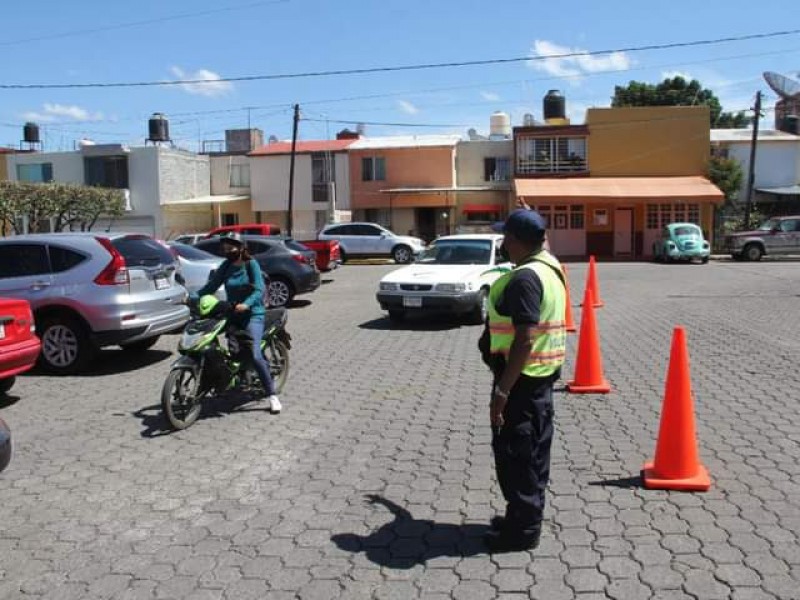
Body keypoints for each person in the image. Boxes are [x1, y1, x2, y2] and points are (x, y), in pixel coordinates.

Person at [479, 209, 567, 552]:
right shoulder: (549, 266)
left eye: (505, 236)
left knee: (517, 457)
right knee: (533, 455)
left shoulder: (525, 279)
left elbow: (525, 338)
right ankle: (522, 516)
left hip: (520, 383)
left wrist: (502, 392)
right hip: (539, 383)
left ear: (515, 241)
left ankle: (523, 532)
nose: (502, 242)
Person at [191, 232, 281, 414]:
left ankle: (272, 395)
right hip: (232, 312)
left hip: (252, 314)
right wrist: (193, 296)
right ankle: (221, 376)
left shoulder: (251, 264)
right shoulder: (225, 265)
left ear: (241, 248)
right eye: (224, 249)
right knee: (209, 340)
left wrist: (246, 304)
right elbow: (211, 286)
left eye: (231, 248)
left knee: (255, 355)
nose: (227, 251)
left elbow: (259, 289)